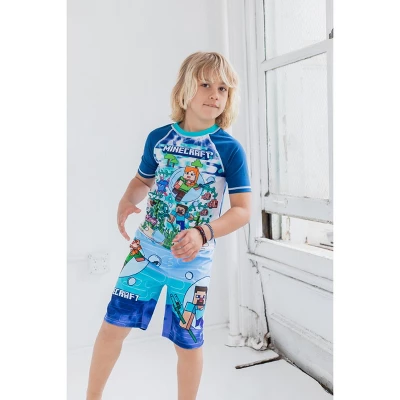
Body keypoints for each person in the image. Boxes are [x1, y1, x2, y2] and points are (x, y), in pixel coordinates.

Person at [86, 51, 252, 400]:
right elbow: (142, 180)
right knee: (113, 327)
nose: (214, 94)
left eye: (222, 88)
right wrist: (127, 198)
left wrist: (203, 233)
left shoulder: (229, 149)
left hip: (192, 262)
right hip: (145, 253)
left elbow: (242, 211)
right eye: (205, 84)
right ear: (185, 89)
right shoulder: (159, 138)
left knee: (187, 342)